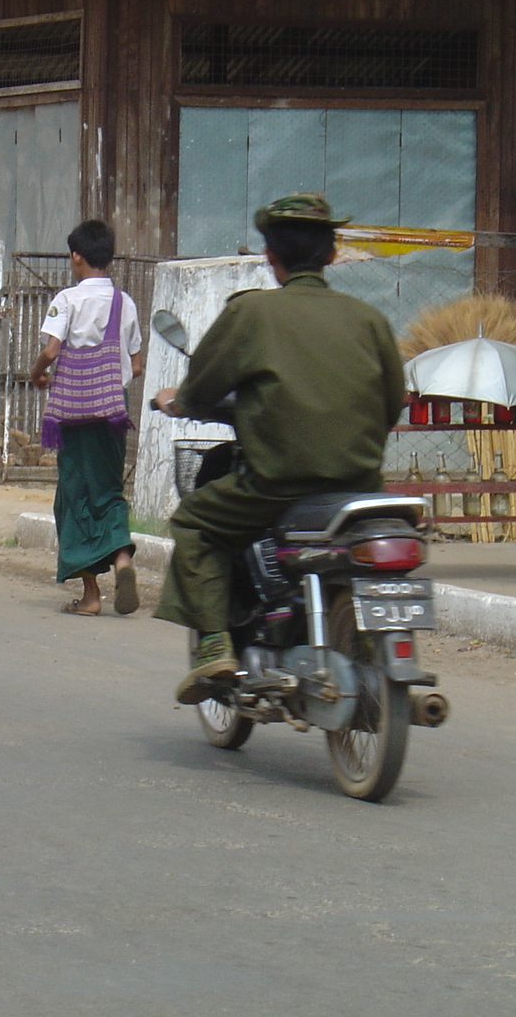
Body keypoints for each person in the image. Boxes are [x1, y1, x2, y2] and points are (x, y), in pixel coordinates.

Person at [152, 194, 407, 704]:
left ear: (270, 255)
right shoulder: (370, 320)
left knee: (196, 524)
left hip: (275, 486)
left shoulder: (251, 313)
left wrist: (178, 401)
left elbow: (201, 389)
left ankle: (214, 648)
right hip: (358, 488)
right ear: (332, 254)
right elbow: (391, 402)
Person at [30, 220, 145, 616]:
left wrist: (37, 373)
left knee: (74, 495)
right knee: (109, 490)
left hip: (72, 416)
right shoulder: (123, 302)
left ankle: (92, 596)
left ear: (77, 256)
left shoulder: (68, 299)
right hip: (112, 412)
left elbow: (51, 350)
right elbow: (137, 363)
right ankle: (123, 560)